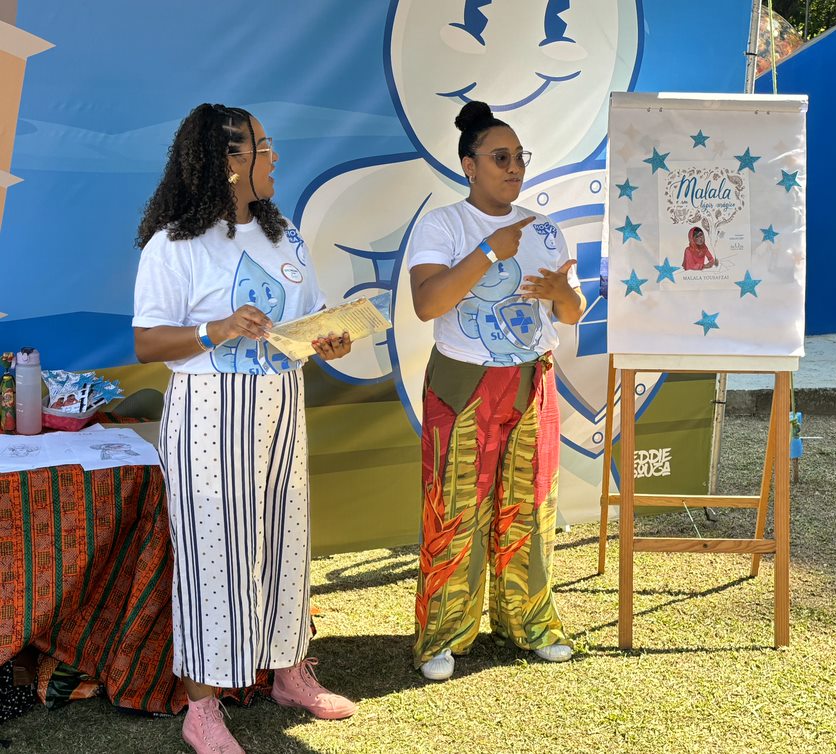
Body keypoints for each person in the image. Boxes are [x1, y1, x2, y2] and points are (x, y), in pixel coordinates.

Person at [132, 103, 356, 754]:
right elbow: (148, 341)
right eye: (261, 146)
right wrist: (215, 329)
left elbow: (307, 320)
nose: (274, 155)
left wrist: (328, 339)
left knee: (285, 540)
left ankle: (288, 671)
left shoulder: (284, 236)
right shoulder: (173, 243)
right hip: (208, 413)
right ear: (228, 163)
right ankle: (201, 708)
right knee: (213, 557)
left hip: (280, 405)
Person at [407, 101, 585, 682]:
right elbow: (427, 304)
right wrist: (488, 251)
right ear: (469, 165)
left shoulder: (546, 229)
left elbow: (573, 312)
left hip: (532, 380)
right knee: (456, 509)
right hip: (463, 385)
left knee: (530, 505)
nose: (514, 169)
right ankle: (445, 636)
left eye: (519, 158)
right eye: (500, 158)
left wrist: (561, 291)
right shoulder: (443, 225)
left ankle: (529, 623)